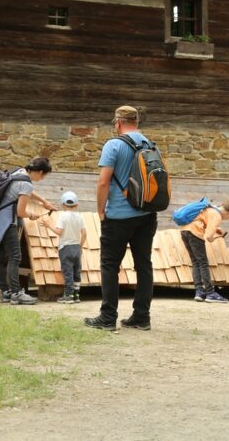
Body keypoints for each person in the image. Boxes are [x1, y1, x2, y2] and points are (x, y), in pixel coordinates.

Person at [84, 106, 159, 331]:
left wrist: (100, 211)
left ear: (117, 123)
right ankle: (142, 316)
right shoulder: (151, 145)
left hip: (118, 215)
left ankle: (108, 317)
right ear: (137, 122)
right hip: (147, 215)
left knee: (109, 265)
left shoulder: (114, 145)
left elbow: (103, 182)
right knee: (144, 265)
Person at [0, 157, 56, 305]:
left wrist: (43, 201)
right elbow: (20, 211)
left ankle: (6, 293)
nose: (42, 179)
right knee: (15, 257)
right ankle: (16, 293)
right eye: (44, 176)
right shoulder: (26, 184)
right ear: (41, 172)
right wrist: (32, 215)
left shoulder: (18, 172)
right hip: (7, 223)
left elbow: (24, 191)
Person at [180, 200, 229, 303]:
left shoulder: (210, 208)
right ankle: (210, 293)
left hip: (184, 231)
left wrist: (215, 230)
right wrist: (219, 236)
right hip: (195, 232)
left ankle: (199, 291)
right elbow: (208, 237)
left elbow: (203, 221)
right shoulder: (217, 215)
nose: (227, 219)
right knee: (203, 263)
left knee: (196, 262)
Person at [40, 191, 87, 304]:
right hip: (76, 247)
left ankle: (68, 296)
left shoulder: (63, 216)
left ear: (63, 205)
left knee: (68, 272)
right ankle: (76, 295)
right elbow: (84, 234)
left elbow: (59, 232)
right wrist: (80, 246)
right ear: (76, 205)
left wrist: (48, 225)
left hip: (65, 248)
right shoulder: (79, 217)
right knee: (76, 272)